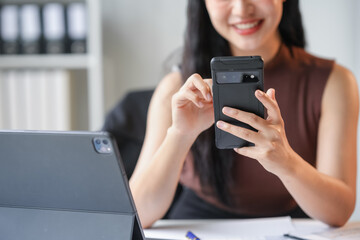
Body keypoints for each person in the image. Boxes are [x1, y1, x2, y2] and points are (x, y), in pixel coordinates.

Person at [129, 0, 359, 228]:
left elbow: (339, 213)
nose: (242, 9)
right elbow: (137, 214)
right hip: (199, 227)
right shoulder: (176, 88)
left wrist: (286, 162)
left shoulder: (334, 82)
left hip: (296, 225)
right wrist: (181, 133)